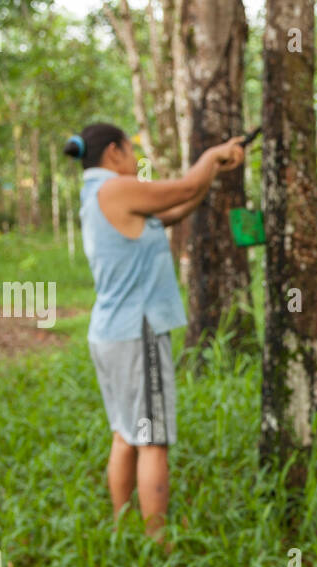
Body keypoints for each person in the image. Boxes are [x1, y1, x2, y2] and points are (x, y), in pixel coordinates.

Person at [64, 123, 244, 539]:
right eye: (130, 152)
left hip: (113, 333)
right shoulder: (114, 189)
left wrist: (214, 169)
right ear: (113, 151)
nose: (133, 161)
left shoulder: (100, 196)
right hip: (136, 333)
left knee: (126, 435)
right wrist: (212, 154)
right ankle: (156, 547)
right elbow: (182, 188)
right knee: (152, 441)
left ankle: (123, 527)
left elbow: (179, 208)